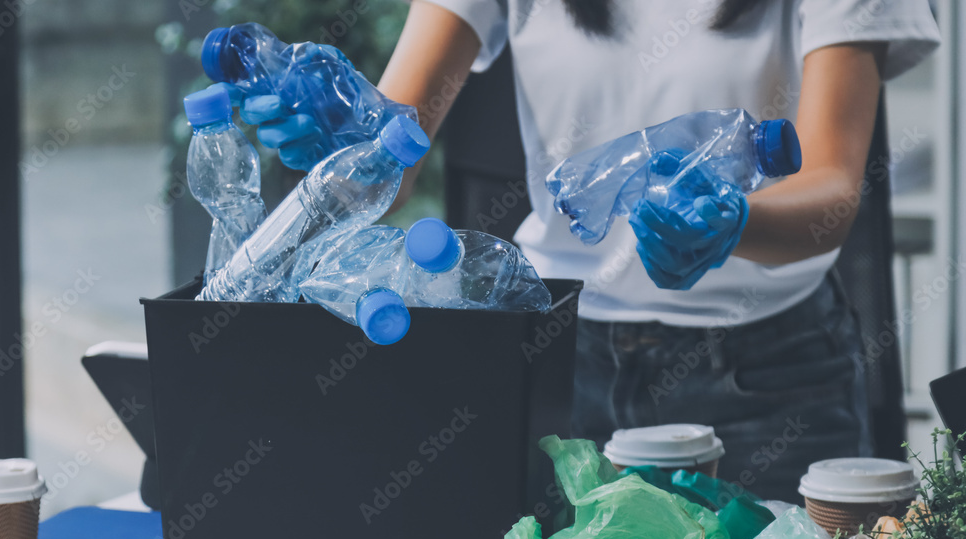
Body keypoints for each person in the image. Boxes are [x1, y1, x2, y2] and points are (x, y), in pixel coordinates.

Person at [258, 0, 941, 502]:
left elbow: (832, 184)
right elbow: (396, 147)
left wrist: (732, 223)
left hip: (768, 377)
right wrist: (342, 138)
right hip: (556, 363)